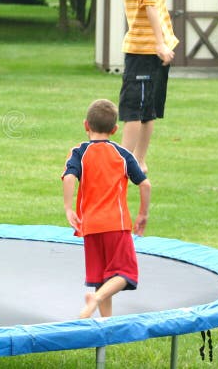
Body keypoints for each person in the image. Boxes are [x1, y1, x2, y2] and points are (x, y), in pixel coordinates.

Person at [62, 99, 151, 318]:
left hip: (90, 226)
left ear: (86, 125)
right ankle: (97, 299)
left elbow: (69, 177)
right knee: (126, 273)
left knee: (102, 278)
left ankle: (105, 323)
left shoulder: (79, 152)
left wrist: (68, 208)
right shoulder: (122, 154)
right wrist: (142, 214)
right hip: (116, 224)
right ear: (114, 129)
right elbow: (145, 184)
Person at [112, 0, 179, 174]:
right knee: (148, 107)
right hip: (157, 43)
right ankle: (139, 160)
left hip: (144, 46)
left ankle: (124, 163)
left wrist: (159, 44)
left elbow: (149, 4)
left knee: (131, 107)